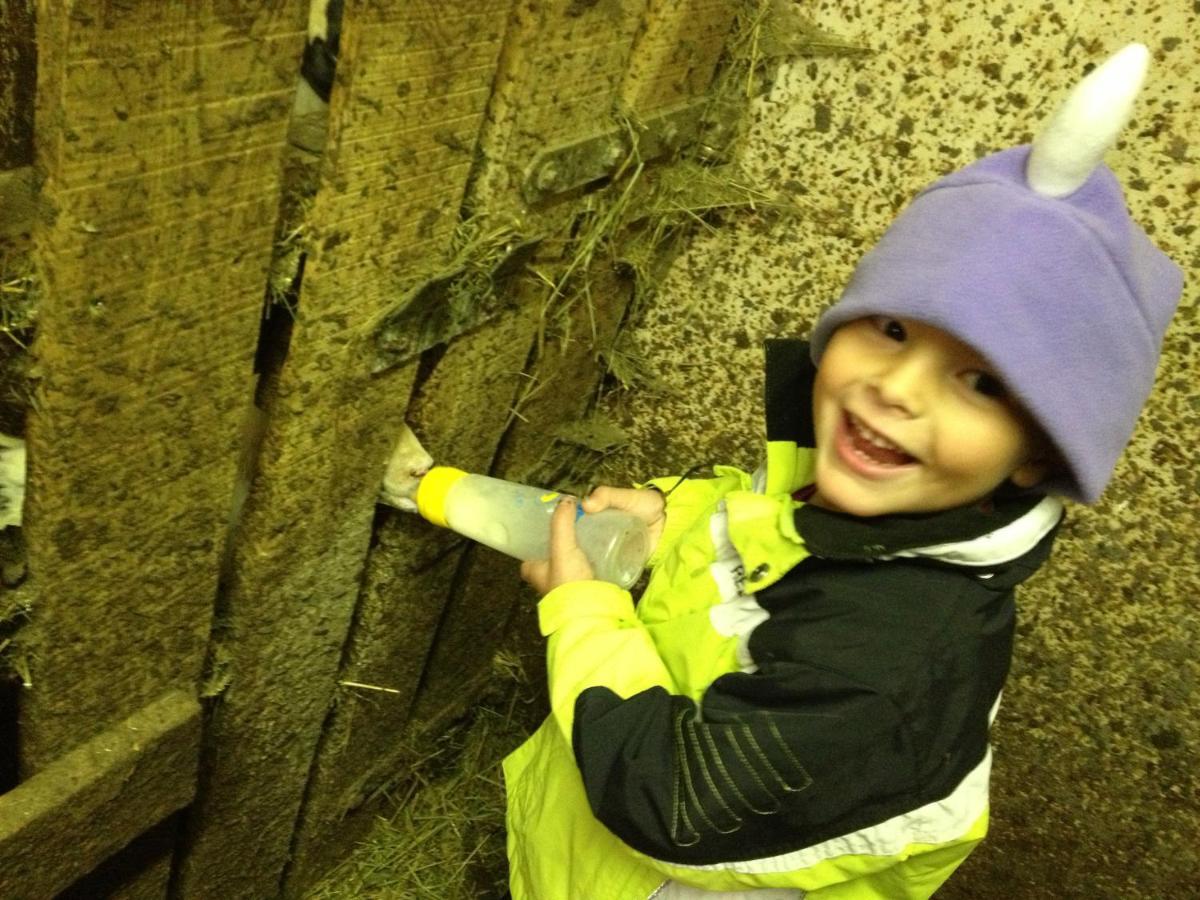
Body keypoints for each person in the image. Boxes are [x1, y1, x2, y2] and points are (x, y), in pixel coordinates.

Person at [504, 44, 1183, 899]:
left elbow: (675, 799)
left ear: (1041, 451)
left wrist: (583, 611)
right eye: (893, 328)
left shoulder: (886, 658)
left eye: (980, 382)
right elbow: (757, 518)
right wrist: (672, 511)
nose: (894, 387)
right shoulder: (847, 481)